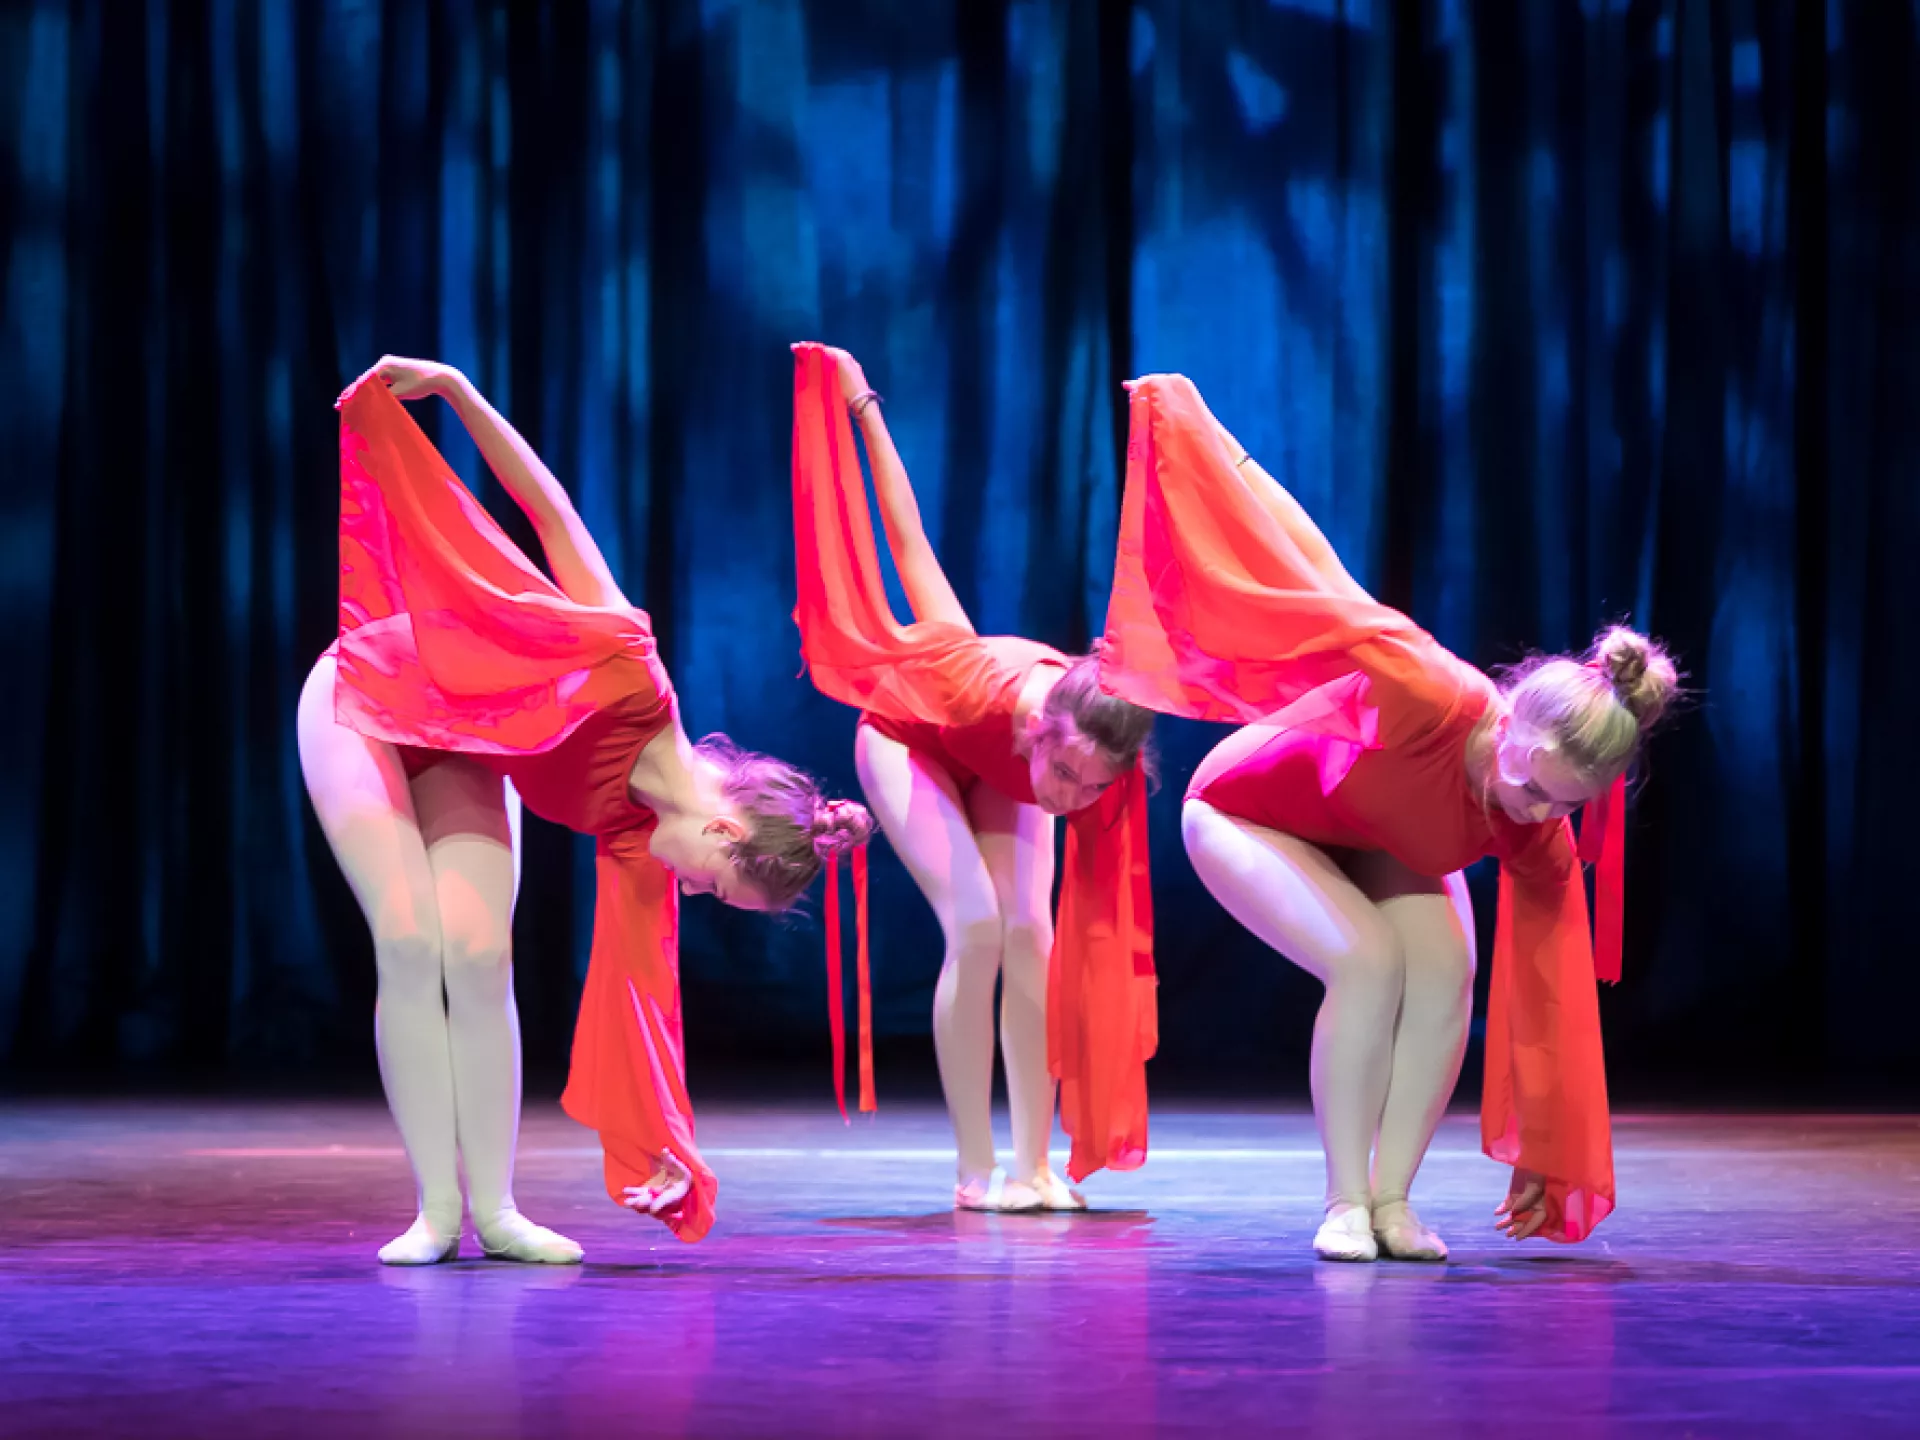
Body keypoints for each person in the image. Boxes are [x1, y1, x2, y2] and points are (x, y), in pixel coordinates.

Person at [298, 356, 872, 1264]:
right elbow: (550, 510)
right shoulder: (629, 672)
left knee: (481, 954)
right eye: (717, 890)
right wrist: (457, 390)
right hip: (368, 694)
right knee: (411, 940)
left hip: (460, 742)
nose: (692, 898)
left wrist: (672, 1155)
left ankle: (496, 1212)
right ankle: (436, 1211)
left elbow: (646, 1008)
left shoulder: (642, 838)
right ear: (723, 832)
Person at [1099, 373, 1676, 1261]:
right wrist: (1220, 450)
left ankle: (1394, 1202)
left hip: (1374, 840)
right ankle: (1342, 1202)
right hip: (1247, 810)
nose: (1531, 810)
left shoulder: (1538, 827)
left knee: (1447, 975)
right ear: (1510, 717)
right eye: (1528, 783)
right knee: (1366, 962)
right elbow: (1314, 570)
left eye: (1563, 804)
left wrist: (1552, 1152)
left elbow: (1553, 993)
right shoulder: (1430, 693)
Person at [788, 342, 1158, 1212]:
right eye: (1066, 775)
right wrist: (863, 405)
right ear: (1039, 729)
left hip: (996, 771)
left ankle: (1035, 1165)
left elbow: (1068, 778)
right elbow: (907, 542)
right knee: (981, 929)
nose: (1072, 798)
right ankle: (974, 1168)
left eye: (1091, 789)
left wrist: (1069, 781)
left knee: (1033, 933)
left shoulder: (1088, 745)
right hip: (905, 740)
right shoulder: (971, 680)